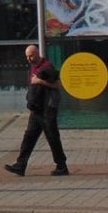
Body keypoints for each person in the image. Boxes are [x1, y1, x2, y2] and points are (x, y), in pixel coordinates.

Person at [4, 44, 68, 176]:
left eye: (31, 55)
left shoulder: (47, 67)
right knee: (29, 137)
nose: (29, 59)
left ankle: (61, 166)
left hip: (47, 110)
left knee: (52, 137)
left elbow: (57, 84)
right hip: (36, 110)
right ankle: (20, 165)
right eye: (27, 56)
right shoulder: (34, 67)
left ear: (37, 53)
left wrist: (39, 81)